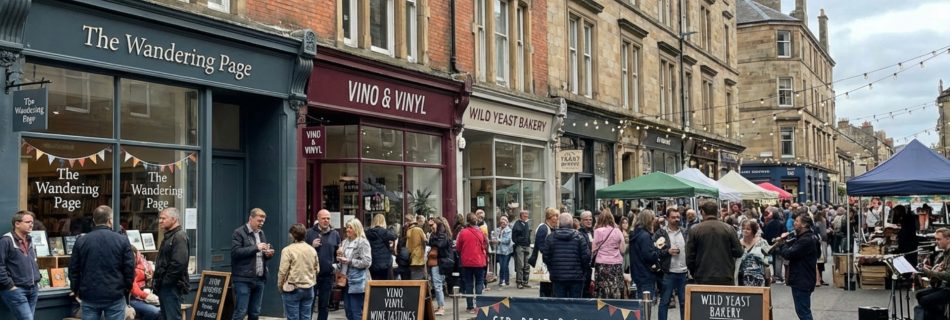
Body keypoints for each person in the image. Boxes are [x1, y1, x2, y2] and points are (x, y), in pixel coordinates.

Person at [69, 205, 135, 320]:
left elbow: (74, 269)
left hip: (89, 294)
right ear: (110, 221)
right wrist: (126, 288)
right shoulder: (122, 240)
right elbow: (129, 268)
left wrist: (76, 289)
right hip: (115, 294)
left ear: (94, 221)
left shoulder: (81, 241)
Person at [231, 208, 275, 320]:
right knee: (241, 311)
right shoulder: (239, 232)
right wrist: (256, 247)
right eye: (259, 220)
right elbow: (236, 252)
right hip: (243, 279)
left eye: (263, 221)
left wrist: (268, 254)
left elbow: (261, 254)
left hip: (259, 278)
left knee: (255, 312)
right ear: (251, 218)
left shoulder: (261, 233)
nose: (261, 223)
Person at [774, 213, 819, 320]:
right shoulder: (809, 237)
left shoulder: (805, 240)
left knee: (803, 312)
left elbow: (788, 254)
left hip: (802, 279)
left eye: (797, 221)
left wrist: (782, 243)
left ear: (804, 225)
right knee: (803, 311)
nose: (794, 223)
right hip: (804, 278)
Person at [686, 201, 743, 285]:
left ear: (702, 212)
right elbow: (738, 252)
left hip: (702, 276)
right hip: (725, 275)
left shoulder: (694, 230)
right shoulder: (729, 229)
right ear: (717, 212)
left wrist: (694, 272)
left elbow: (689, 256)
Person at [0, 210, 41, 320]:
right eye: (27, 222)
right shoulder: (6, 241)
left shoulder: (30, 240)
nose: (31, 225)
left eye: (32, 222)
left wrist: (37, 279)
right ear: (17, 224)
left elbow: (33, 261)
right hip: (16, 289)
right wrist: (10, 286)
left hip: (33, 288)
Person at [153, 207, 189, 320]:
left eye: (164, 218)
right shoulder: (169, 236)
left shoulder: (179, 237)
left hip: (172, 287)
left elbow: (178, 264)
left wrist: (165, 282)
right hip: (166, 287)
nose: (160, 221)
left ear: (174, 219)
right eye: (160, 218)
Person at [543, 213, 591, 298]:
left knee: (559, 303)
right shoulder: (579, 237)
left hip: (558, 276)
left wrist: (552, 270)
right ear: (571, 223)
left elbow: (546, 257)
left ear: (559, 223)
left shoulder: (551, 237)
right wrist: (582, 272)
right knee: (575, 303)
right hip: (576, 277)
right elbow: (586, 257)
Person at [305, 209, 341, 320]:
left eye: (328, 218)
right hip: (311, 275)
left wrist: (335, 265)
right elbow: (301, 252)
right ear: (318, 219)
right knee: (309, 304)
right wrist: (311, 246)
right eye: (323, 218)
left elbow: (338, 253)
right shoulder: (309, 233)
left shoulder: (335, 234)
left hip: (327, 275)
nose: (326, 220)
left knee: (324, 305)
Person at [278, 223, 318, 320]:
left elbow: (282, 271)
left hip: (292, 288)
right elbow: (317, 269)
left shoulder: (287, 250)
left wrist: (280, 286)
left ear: (292, 235)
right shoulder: (312, 249)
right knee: (306, 317)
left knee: (293, 318)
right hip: (309, 288)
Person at [338, 219, 372, 320]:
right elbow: (343, 260)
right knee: (348, 311)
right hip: (346, 280)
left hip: (358, 281)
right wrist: (339, 259)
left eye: (350, 227)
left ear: (357, 229)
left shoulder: (363, 242)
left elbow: (367, 262)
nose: (347, 230)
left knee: (356, 312)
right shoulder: (344, 242)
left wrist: (349, 261)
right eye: (347, 227)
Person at [657, 208, 686, 320]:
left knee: (684, 302)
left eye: (678, 217)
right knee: (664, 301)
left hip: (683, 272)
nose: (676, 219)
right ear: (667, 218)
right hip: (668, 272)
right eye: (673, 217)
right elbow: (654, 252)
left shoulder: (684, 232)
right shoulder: (661, 233)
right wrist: (667, 251)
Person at [457, 212, 487, 314]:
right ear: (476, 221)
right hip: (479, 261)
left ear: (467, 221)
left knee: (468, 284)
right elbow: (485, 244)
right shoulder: (481, 232)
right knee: (479, 283)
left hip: (467, 262)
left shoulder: (463, 232)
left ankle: (470, 306)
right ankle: (478, 306)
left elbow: (458, 247)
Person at [916, 227, 949, 320]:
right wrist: (935, 269)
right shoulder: (945, 253)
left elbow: (948, 275)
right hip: (945, 285)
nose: (936, 242)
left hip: (948, 287)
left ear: (948, 239)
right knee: (919, 295)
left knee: (924, 300)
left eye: (939, 239)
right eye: (936, 239)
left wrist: (930, 272)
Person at [592, 209, 625, 299]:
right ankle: (615, 304)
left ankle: (603, 305)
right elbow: (622, 250)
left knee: (602, 288)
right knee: (615, 287)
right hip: (616, 264)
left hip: (601, 264)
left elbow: (593, 249)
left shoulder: (597, 231)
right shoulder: (617, 231)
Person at [629, 209, 660, 300]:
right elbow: (649, 256)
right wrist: (657, 250)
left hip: (638, 272)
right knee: (646, 302)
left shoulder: (635, 233)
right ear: (649, 220)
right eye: (652, 219)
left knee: (641, 300)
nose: (654, 221)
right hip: (646, 274)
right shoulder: (645, 236)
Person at [427, 217, 454, 316]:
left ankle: (441, 307)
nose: (431, 227)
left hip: (440, 262)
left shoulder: (442, 235)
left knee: (437, 284)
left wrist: (432, 237)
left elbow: (439, 244)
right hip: (437, 261)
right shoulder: (437, 234)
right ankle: (439, 306)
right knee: (437, 284)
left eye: (432, 224)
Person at [529, 208, 558, 297]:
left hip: (549, 262)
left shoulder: (552, 228)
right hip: (544, 262)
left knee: (549, 285)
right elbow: (540, 246)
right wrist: (550, 254)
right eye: (555, 216)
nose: (557, 218)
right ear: (549, 217)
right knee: (545, 285)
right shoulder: (543, 228)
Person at [735, 220, 772, 287]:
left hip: (759, 279)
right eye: (743, 229)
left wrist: (768, 277)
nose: (745, 231)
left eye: (748, 229)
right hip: (741, 279)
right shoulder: (738, 244)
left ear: (753, 231)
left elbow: (768, 259)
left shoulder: (762, 242)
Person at [130, 247, 160, 320]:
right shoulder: (128, 269)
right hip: (132, 299)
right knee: (155, 311)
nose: (132, 259)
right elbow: (133, 288)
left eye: (134, 257)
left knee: (163, 309)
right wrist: (147, 296)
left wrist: (149, 280)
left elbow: (149, 285)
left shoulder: (142, 267)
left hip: (143, 297)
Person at [365, 214, 397, 281]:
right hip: (385, 262)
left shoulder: (368, 232)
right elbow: (394, 236)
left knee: (374, 282)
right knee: (386, 284)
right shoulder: (384, 232)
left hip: (373, 261)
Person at [763, 210, 786, 284]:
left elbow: (765, 234)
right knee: (779, 260)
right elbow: (784, 233)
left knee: (771, 261)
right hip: (779, 243)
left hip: (770, 244)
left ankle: (773, 276)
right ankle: (778, 275)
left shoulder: (768, 224)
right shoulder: (782, 223)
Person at [511, 210, 532, 289]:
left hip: (527, 246)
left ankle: (525, 282)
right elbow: (514, 237)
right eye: (524, 215)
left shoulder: (527, 224)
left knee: (527, 265)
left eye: (527, 215)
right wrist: (518, 242)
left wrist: (529, 243)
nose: (526, 216)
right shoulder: (517, 224)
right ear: (521, 216)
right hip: (520, 246)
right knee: (520, 265)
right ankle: (519, 282)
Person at [578, 210, 594, 298]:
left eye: (590, 219)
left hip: (592, 267)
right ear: (581, 221)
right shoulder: (578, 233)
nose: (589, 221)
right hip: (583, 268)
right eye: (586, 220)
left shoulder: (594, 232)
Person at [492, 216, 513, 287]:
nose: (503, 223)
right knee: (503, 266)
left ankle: (503, 280)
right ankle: (506, 280)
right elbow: (493, 236)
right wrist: (494, 239)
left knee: (504, 265)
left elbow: (507, 240)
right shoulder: (497, 230)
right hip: (499, 251)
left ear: (507, 222)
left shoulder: (509, 230)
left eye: (504, 221)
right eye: (501, 221)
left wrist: (498, 240)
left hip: (506, 251)